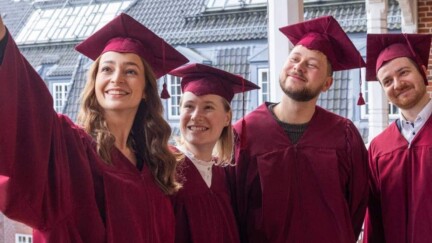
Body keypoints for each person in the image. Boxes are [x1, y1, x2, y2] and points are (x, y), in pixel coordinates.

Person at [0, 13, 188, 242]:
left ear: (147, 91)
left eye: (130, 71)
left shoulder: (157, 166)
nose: (117, 79)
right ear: (95, 82)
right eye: (107, 69)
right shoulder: (71, 150)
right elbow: (29, 114)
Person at [228, 16, 369, 243]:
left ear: (327, 84)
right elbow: (234, 209)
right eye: (294, 58)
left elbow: (356, 205)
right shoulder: (244, 133)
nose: (299, 67)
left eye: (312, 65)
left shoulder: (344, 134)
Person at [169, 63, 259, 243]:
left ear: (227, 118)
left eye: (208, 107)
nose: (195, 115)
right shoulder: (165, 165)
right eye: (188, 106)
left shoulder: (223, 174)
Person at [363, 33, 432, 243]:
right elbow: (374, 218)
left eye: (404, 72)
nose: (397, 83)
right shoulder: (378, 147)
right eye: (387, 81)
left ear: (423, 72)